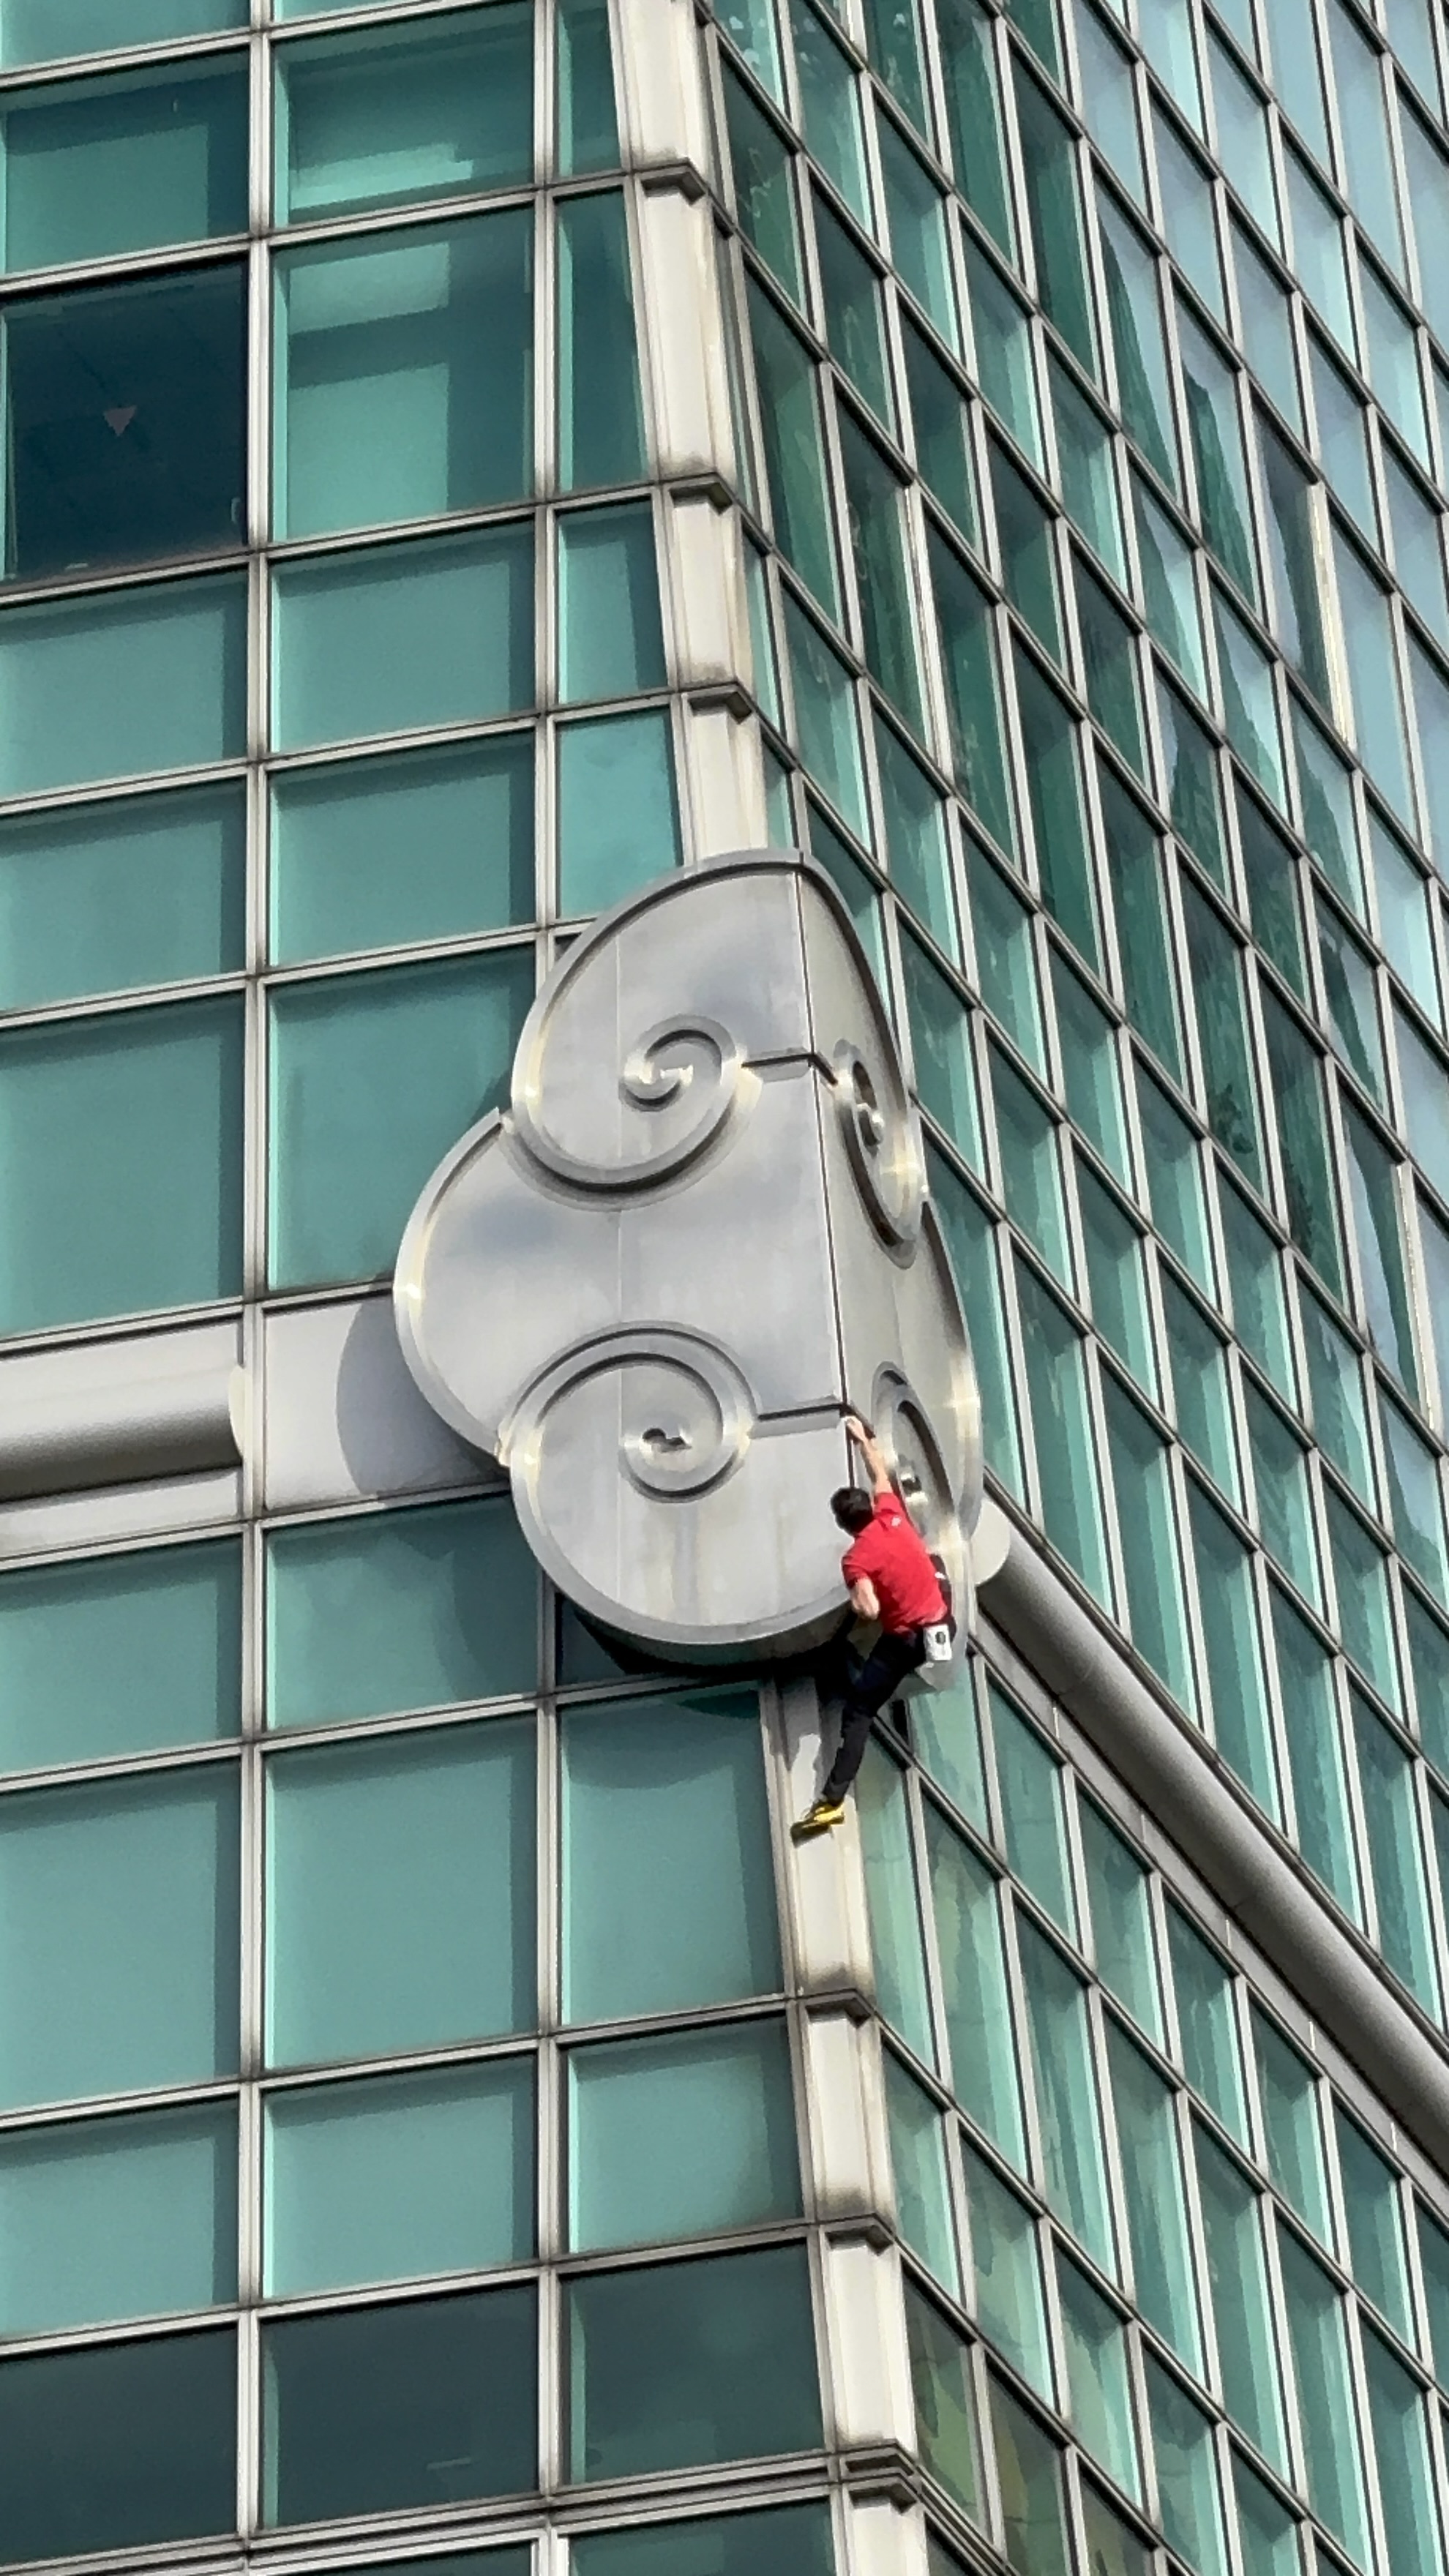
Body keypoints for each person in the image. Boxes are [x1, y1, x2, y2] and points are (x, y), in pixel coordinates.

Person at [793, 1412, 948, 1836]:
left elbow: (870, 1611)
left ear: (844, 1525)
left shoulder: (856, 1558)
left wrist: (858, 1591)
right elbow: (878, 1469)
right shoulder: (891, 1512)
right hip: (940, 1617)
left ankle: (831, 1801)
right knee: (933, 1564)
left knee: (859, 1711)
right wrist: (861, 1436)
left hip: (907, 1640)